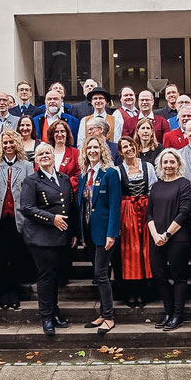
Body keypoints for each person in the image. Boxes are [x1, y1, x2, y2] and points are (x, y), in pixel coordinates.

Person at [21, 142, 76, 335]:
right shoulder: (31, 181)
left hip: (62, 237)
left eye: (47, 153)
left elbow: (71, 206)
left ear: (54, 156)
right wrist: (51, 219)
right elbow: (26, 208)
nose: (44, 156)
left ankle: (55, 313)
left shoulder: (64, 178)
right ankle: (46, 317)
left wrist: (74, 232)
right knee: (46, 278)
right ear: (35, 159)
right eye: (40, 154)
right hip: (41, 238)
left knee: (56, 277)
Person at [0, 130, 33, 310]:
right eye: (5, 143)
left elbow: (29, 193)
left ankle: (15, 292)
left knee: (16, 256)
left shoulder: (26, 165)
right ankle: (3, 292)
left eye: (11, 142)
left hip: (18, 219)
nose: (8, 146)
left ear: (17, 144)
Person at [77, 135, 121, 334]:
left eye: (96, 147)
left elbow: (114, 205)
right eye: (89, 148)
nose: (92, 151)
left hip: (105, 233)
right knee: (97, 274)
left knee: (101, 274)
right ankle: (103, 313)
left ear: (102, 150)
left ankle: (109, 317)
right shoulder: (84, 175)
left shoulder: (110, 173)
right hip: (89, 232)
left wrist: (112, 233)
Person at [147, 148, 191, 330]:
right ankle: (168, 312)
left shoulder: (184, 184)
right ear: (160, 165)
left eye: (172, 162)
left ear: (178, 164)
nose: (168, 165)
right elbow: (149, 213)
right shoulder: (156, 186)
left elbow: (184, 212)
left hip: (177, 238)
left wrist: (166, 234)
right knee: (160, 276)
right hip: (156, 238)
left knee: (179, 277)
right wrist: (156, 235)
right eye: (165, 162)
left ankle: (177, 315)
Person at [115, 136, 157, 308]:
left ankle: (144, 291)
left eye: (131, 145)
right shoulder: (118, 170)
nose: (129, 149)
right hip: (128, 213)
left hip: (146, 210)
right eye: (125, 147)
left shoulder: (148, 167)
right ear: (120, 152)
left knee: (145, 250)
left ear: (136, 146)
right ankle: (130, 292)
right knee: (130, 251)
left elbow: (153, 190)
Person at [47, 119, 80, 192]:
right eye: (56, 132)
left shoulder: (75, 153)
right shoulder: (46, 152)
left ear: (67, 134)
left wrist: (64, 186)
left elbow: (79, 174)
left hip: (69, 194)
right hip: (48, 194)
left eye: (62, 131)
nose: (59, 134)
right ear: (52, 134)